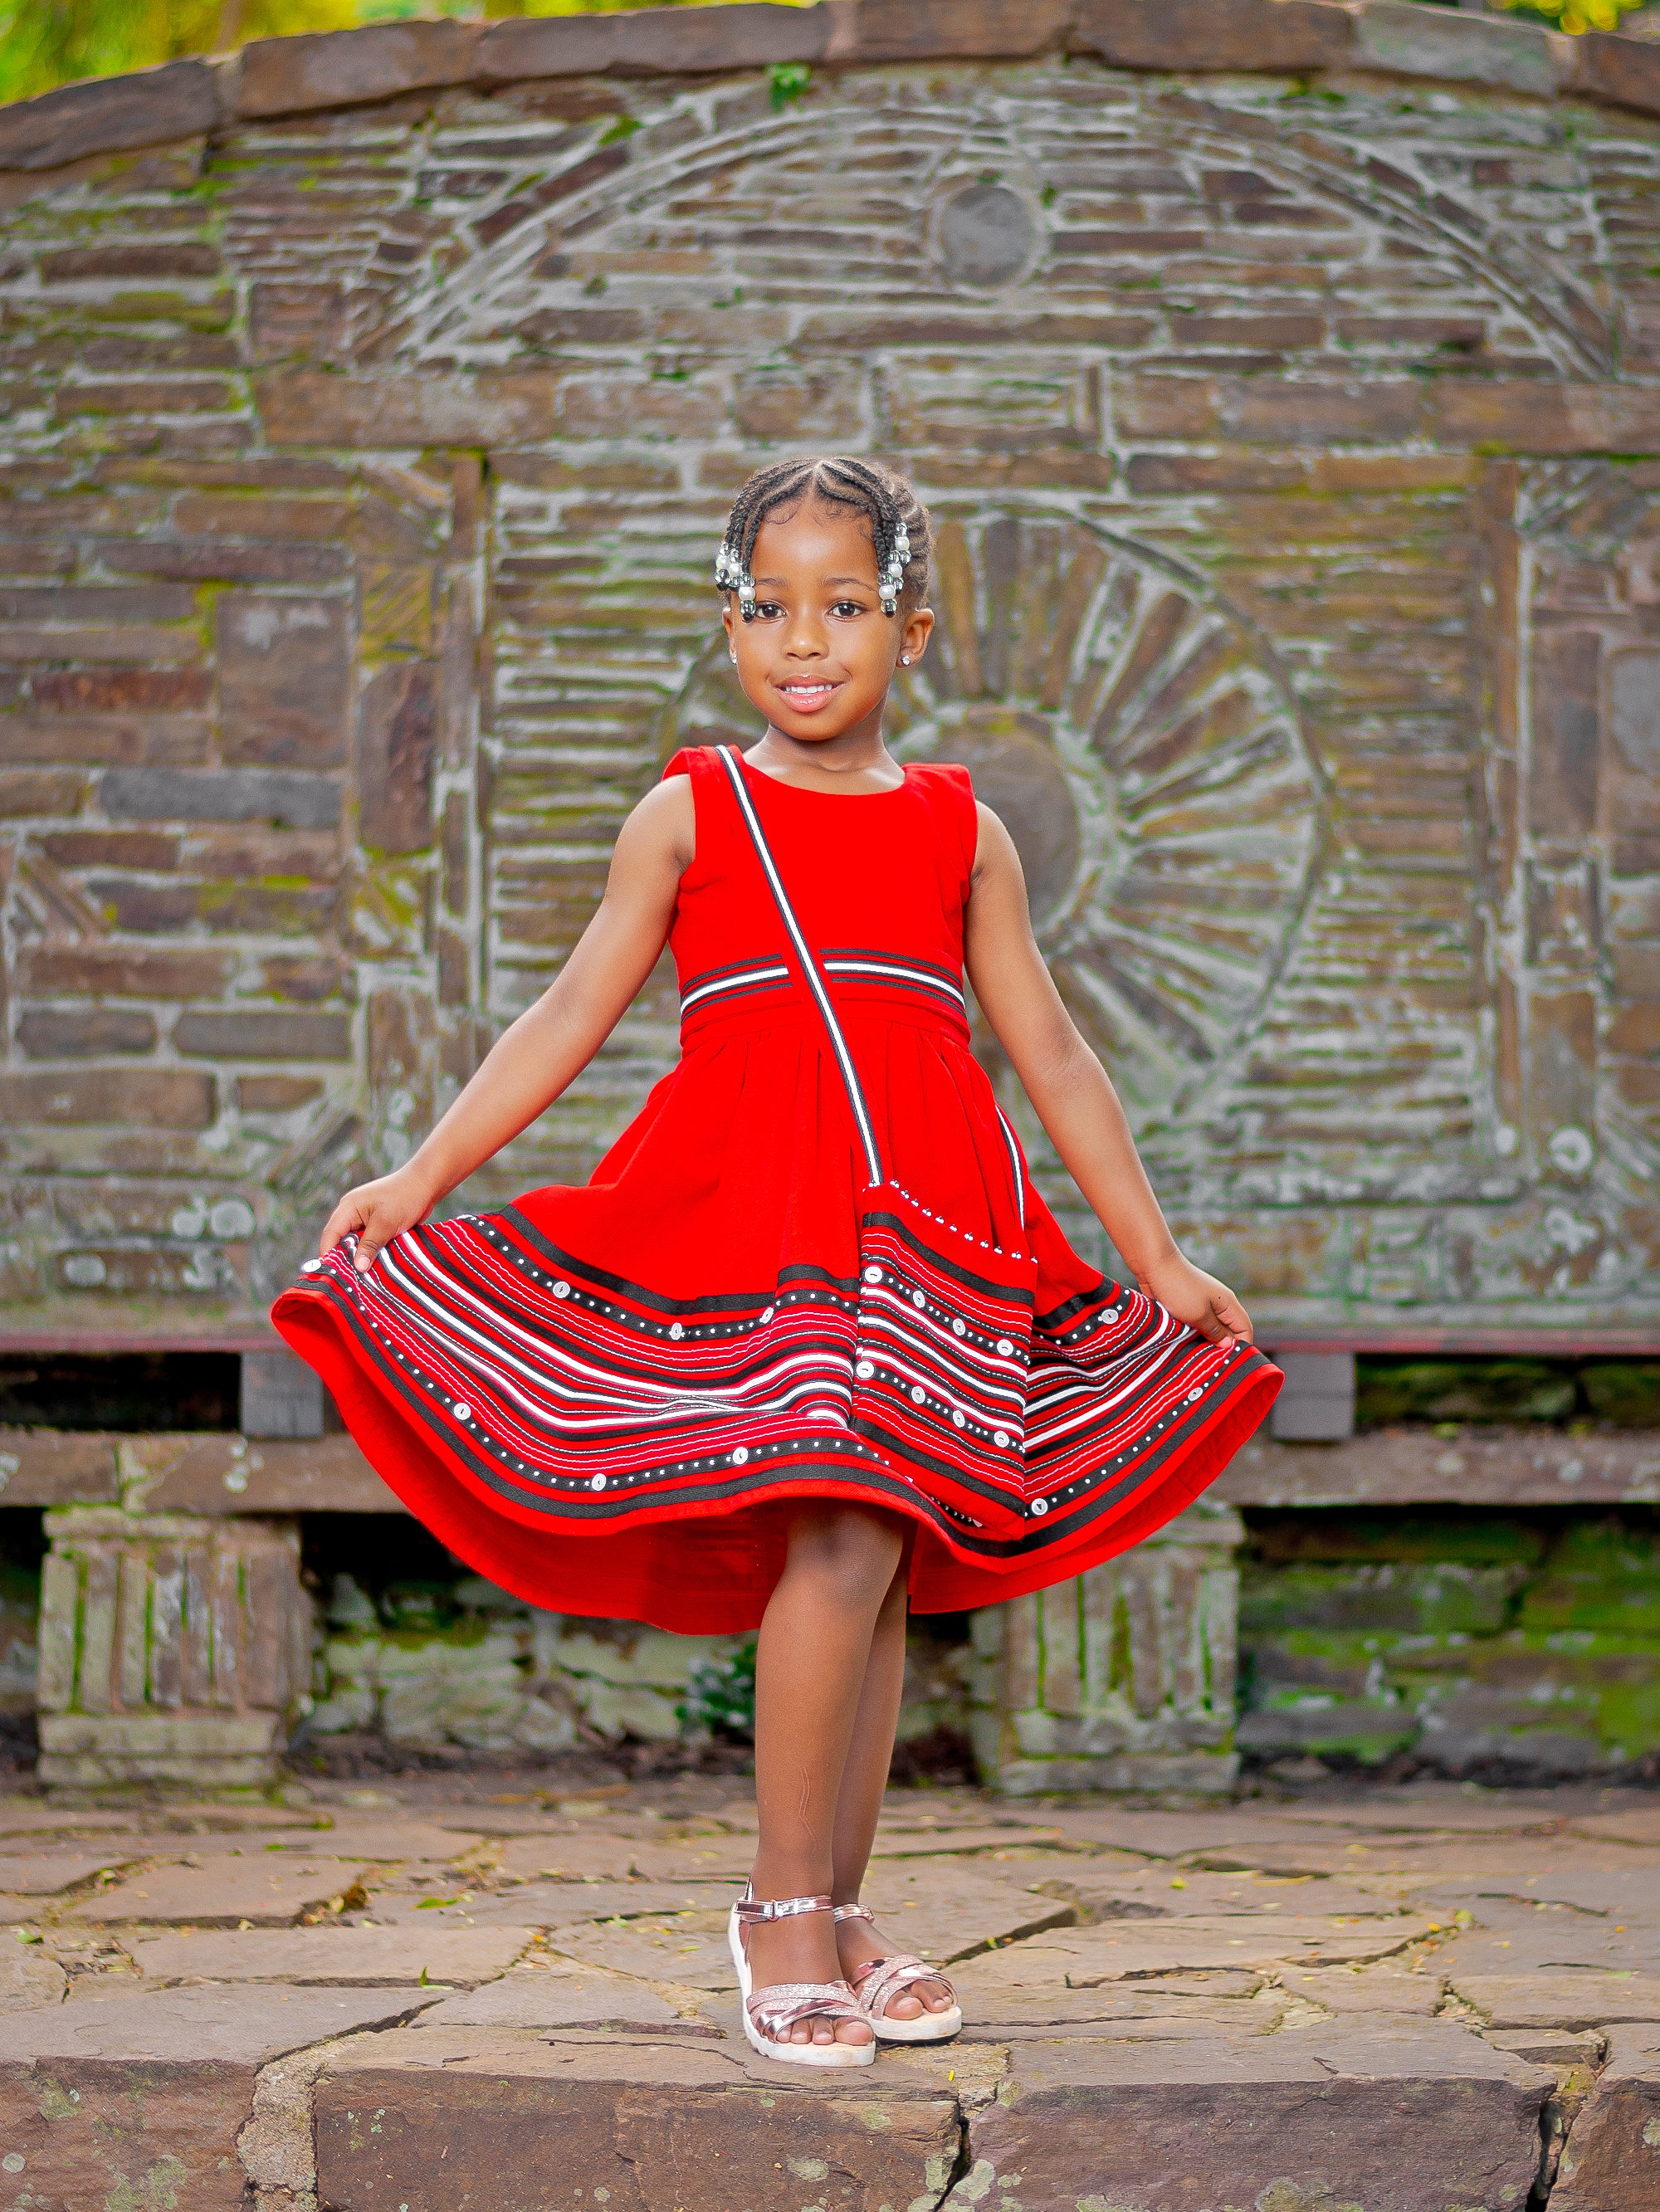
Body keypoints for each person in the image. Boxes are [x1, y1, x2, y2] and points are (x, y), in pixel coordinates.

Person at [273, 455, 1281, 2067]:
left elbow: (1059, 1057)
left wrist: (1152, 1256)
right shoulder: (693, 811)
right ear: (727, 622)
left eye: (844, 605)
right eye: (767, 606)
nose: (802, 639)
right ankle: (778, 1913)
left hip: (934, 1237)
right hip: (767, 1226)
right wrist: (421, 1172)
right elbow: (563, 1014)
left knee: (876, 1571)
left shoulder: (965, 832)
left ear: (915, 626)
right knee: (827, 1546)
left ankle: (839, 1901)